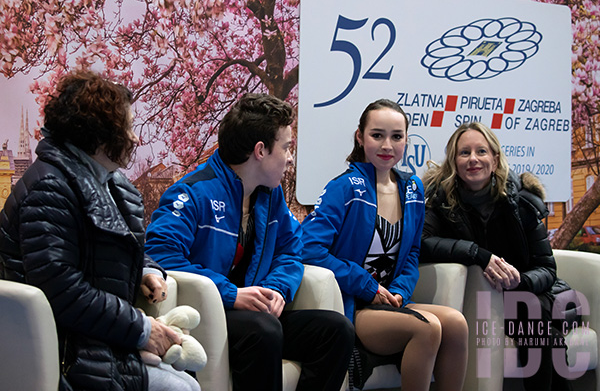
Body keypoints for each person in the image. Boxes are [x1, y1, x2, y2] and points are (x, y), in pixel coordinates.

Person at [0, 71, 200, 391]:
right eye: (128, 127)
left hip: (97, 340)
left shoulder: (105, 183)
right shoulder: (50, 188)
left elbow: (115, 248)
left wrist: (147, 269)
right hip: (68, 353)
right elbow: (62, 290)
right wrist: (141, 329)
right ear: (100, 133)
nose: (135, 138)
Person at [144, 93, 354, 391]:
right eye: (286, 147)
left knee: (337, 330)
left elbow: (290, 250)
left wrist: (277, 289)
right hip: (208, 315)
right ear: (260, 150)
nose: (290, 157)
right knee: (264, 330)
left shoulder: (271, 195)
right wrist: (232, 294)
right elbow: (161, 256)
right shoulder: (192, 193)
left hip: (254, 316)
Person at [301, 99, 468, 391]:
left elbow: (412, 253)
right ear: (360, 137)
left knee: (456, 323)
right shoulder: (345, 187)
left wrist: (401, 292)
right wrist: (367, 286)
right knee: (427, 327)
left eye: (396, 136)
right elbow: (309, 249)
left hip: (392, 303)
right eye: (377, 135)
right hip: (355, 306)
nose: (387, 145)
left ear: (406, 139)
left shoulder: (413, 188)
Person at [420, 121, 570, 391]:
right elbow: (422, 244)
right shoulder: (440, 201)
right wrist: (478, 254)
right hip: (471, 303)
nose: (473, 159)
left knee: (535, 318)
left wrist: (519, 282)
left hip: (525, 296)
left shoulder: (522, 203)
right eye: (464, 153)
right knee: (544, 330)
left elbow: (547, 269)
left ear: (495, 158)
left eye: (481, 151)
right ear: (453, 161)